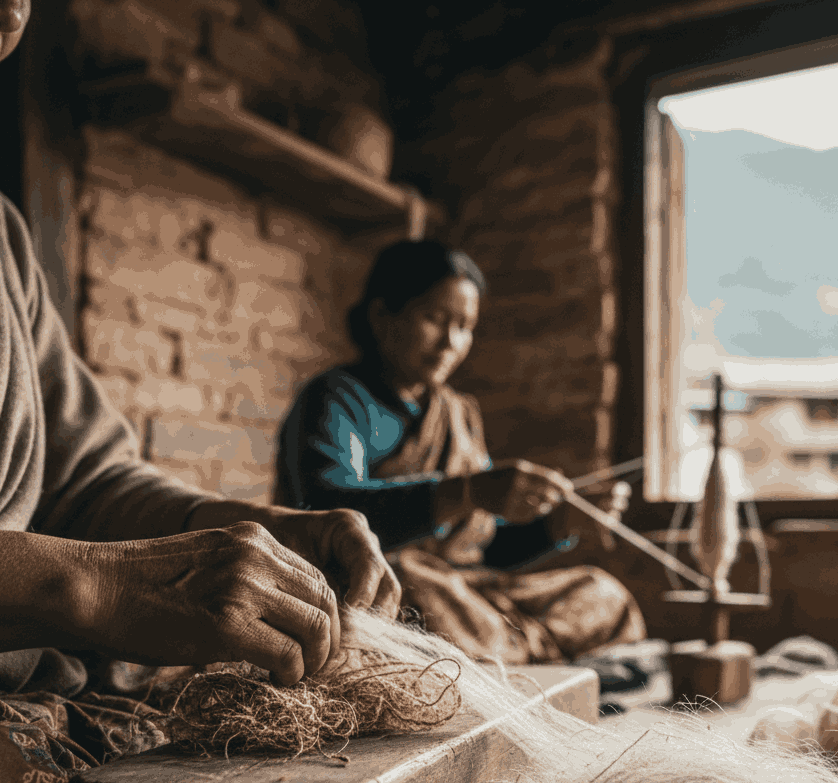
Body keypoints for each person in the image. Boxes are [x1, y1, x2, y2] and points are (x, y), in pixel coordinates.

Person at [0, 0, 401, 783]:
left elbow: (91, 480)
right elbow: (85, 567)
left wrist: (248, 533)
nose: (5, 10)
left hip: (33, 702)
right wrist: (89, 588)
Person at [275, 240, 646, 665]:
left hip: (467, 593)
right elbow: (325, 514)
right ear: (381, 316)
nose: (450, 342)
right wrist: (467, 491)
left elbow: (482, 548)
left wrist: (559, 523)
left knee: (602, 594)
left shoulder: (459, 414)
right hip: (388, 588)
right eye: (434, 318)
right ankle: (526, 653)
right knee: (409, 582)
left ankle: (506, 651)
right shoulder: (338, 399)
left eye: (465, 326)